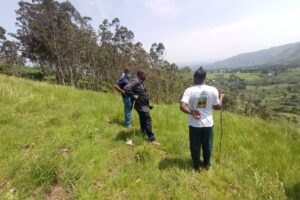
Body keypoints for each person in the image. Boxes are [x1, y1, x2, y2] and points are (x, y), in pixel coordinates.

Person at [180, 67, 224, 172]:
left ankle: (197, 166)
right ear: (205, 78)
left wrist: (192, 112)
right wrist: (221, 97)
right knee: (207, 144)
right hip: (208, 123)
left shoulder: (189, 90)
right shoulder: (213, 90)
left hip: (195, 124)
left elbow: (182, 106)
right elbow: (217, 107)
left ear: (194, 78)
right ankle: (207, 164)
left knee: (195, 145)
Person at [124, 69, 160, 145]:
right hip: (141, 105)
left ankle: (143, 133)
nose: (145, 76)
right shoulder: (136, 81)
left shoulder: (139, 82)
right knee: (147, 120)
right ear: (140, 75)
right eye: (144, 75)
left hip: (142, 105)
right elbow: (126, 88)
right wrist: (133, 95)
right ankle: (152, 139)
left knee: (143, 119)